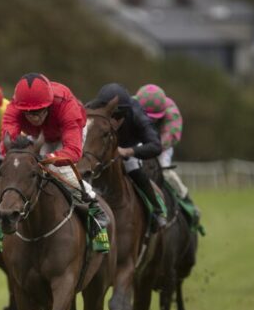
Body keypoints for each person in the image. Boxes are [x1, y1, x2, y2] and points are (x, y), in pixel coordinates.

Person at [0, 72, 109, 251]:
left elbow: (73, 151)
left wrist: (46, 159)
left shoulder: (67, 105)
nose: (35, 117)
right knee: (16, 171)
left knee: (62, 172)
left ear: (49, 105)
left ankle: (95, 209)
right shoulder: (13, 108)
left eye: (40, 111)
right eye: (29, 113)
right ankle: (2, 213)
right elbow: (8, 147)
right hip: (39, 137)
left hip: (67, 136)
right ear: (20, 108)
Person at [86, 82, 167, 230]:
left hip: (128, 147)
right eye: (109, 115)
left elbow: (156, 145)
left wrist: (129, 151)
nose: (113, 121)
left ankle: (156, 210)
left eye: (117, 117)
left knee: (133, 169)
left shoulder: (137, 115)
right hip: (101, 147)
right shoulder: (91, 109)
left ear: (126, 114)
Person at [134, 84, 201, 220]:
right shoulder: (131, 103)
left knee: (164, 171)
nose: (149, 120)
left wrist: (148, 151)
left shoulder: (172, 114)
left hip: (161, 144)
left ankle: (185, 198)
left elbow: (165, 141)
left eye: (153, 117)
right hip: (138, 138)